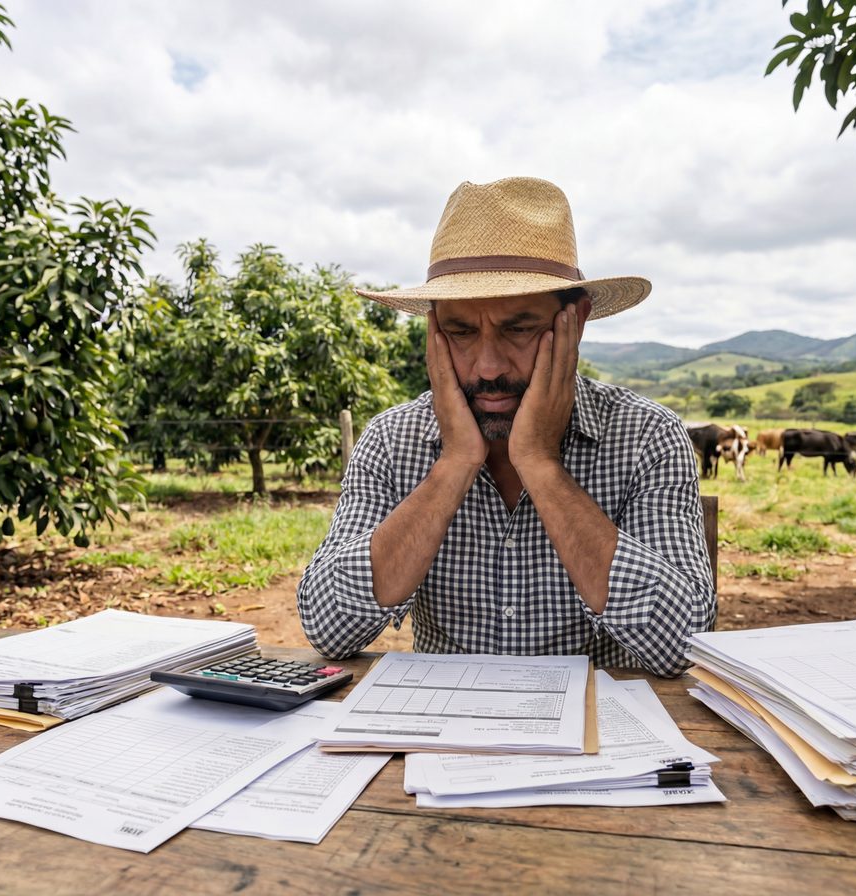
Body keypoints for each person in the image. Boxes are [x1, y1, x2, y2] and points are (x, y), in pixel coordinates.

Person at [297, 176, 714, 677]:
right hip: (440, 737)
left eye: (518, 328)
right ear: (433, 331)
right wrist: (453, 465)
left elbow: (684, 643)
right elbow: (328, 627)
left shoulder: (647, 436)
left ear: (576, 321)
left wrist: (540, 464)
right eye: (460, 332)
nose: (488, 367)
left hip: (602, 741)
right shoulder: (391, 440)